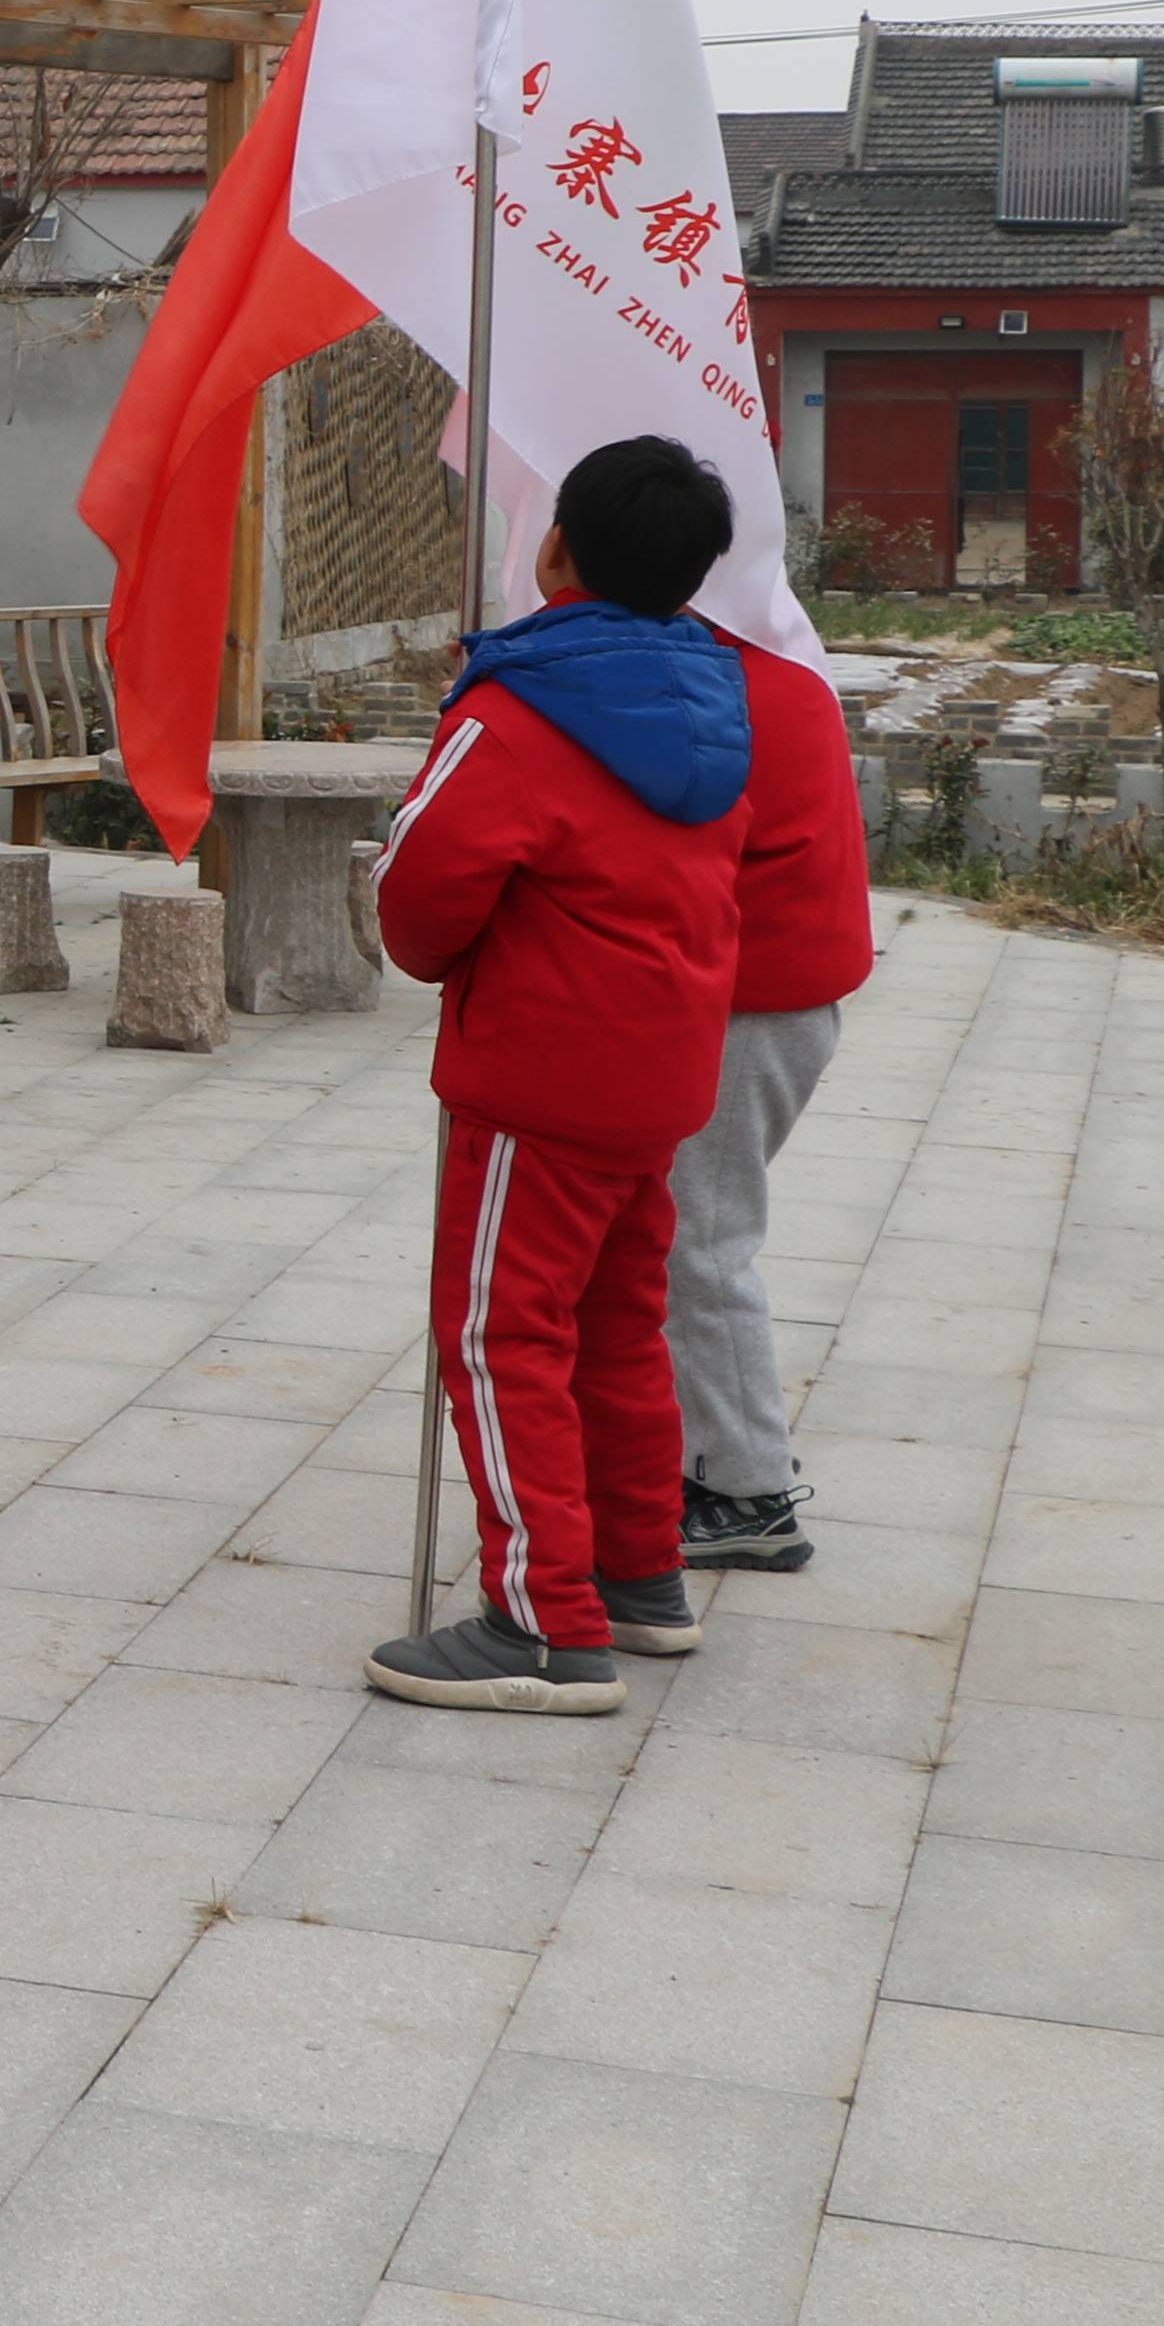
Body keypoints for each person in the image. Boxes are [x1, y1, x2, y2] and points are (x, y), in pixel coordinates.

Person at [365, 437, 756, 1715]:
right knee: (613, 1323)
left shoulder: (520, 706)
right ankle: (640, 1573)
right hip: (662, 1073)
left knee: (497, 1334)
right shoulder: (717, 696)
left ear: (553, 551)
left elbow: (419, 901)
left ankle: (541, 1619)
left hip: (543, 1076)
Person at [671, 600, 873, 1573]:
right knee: (694, 1236)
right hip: (789, 996)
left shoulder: (716, 684)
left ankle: (746, 1489)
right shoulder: (783, 670)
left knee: (701, 1244)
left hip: (755, 1003)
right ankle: (702, 1447)